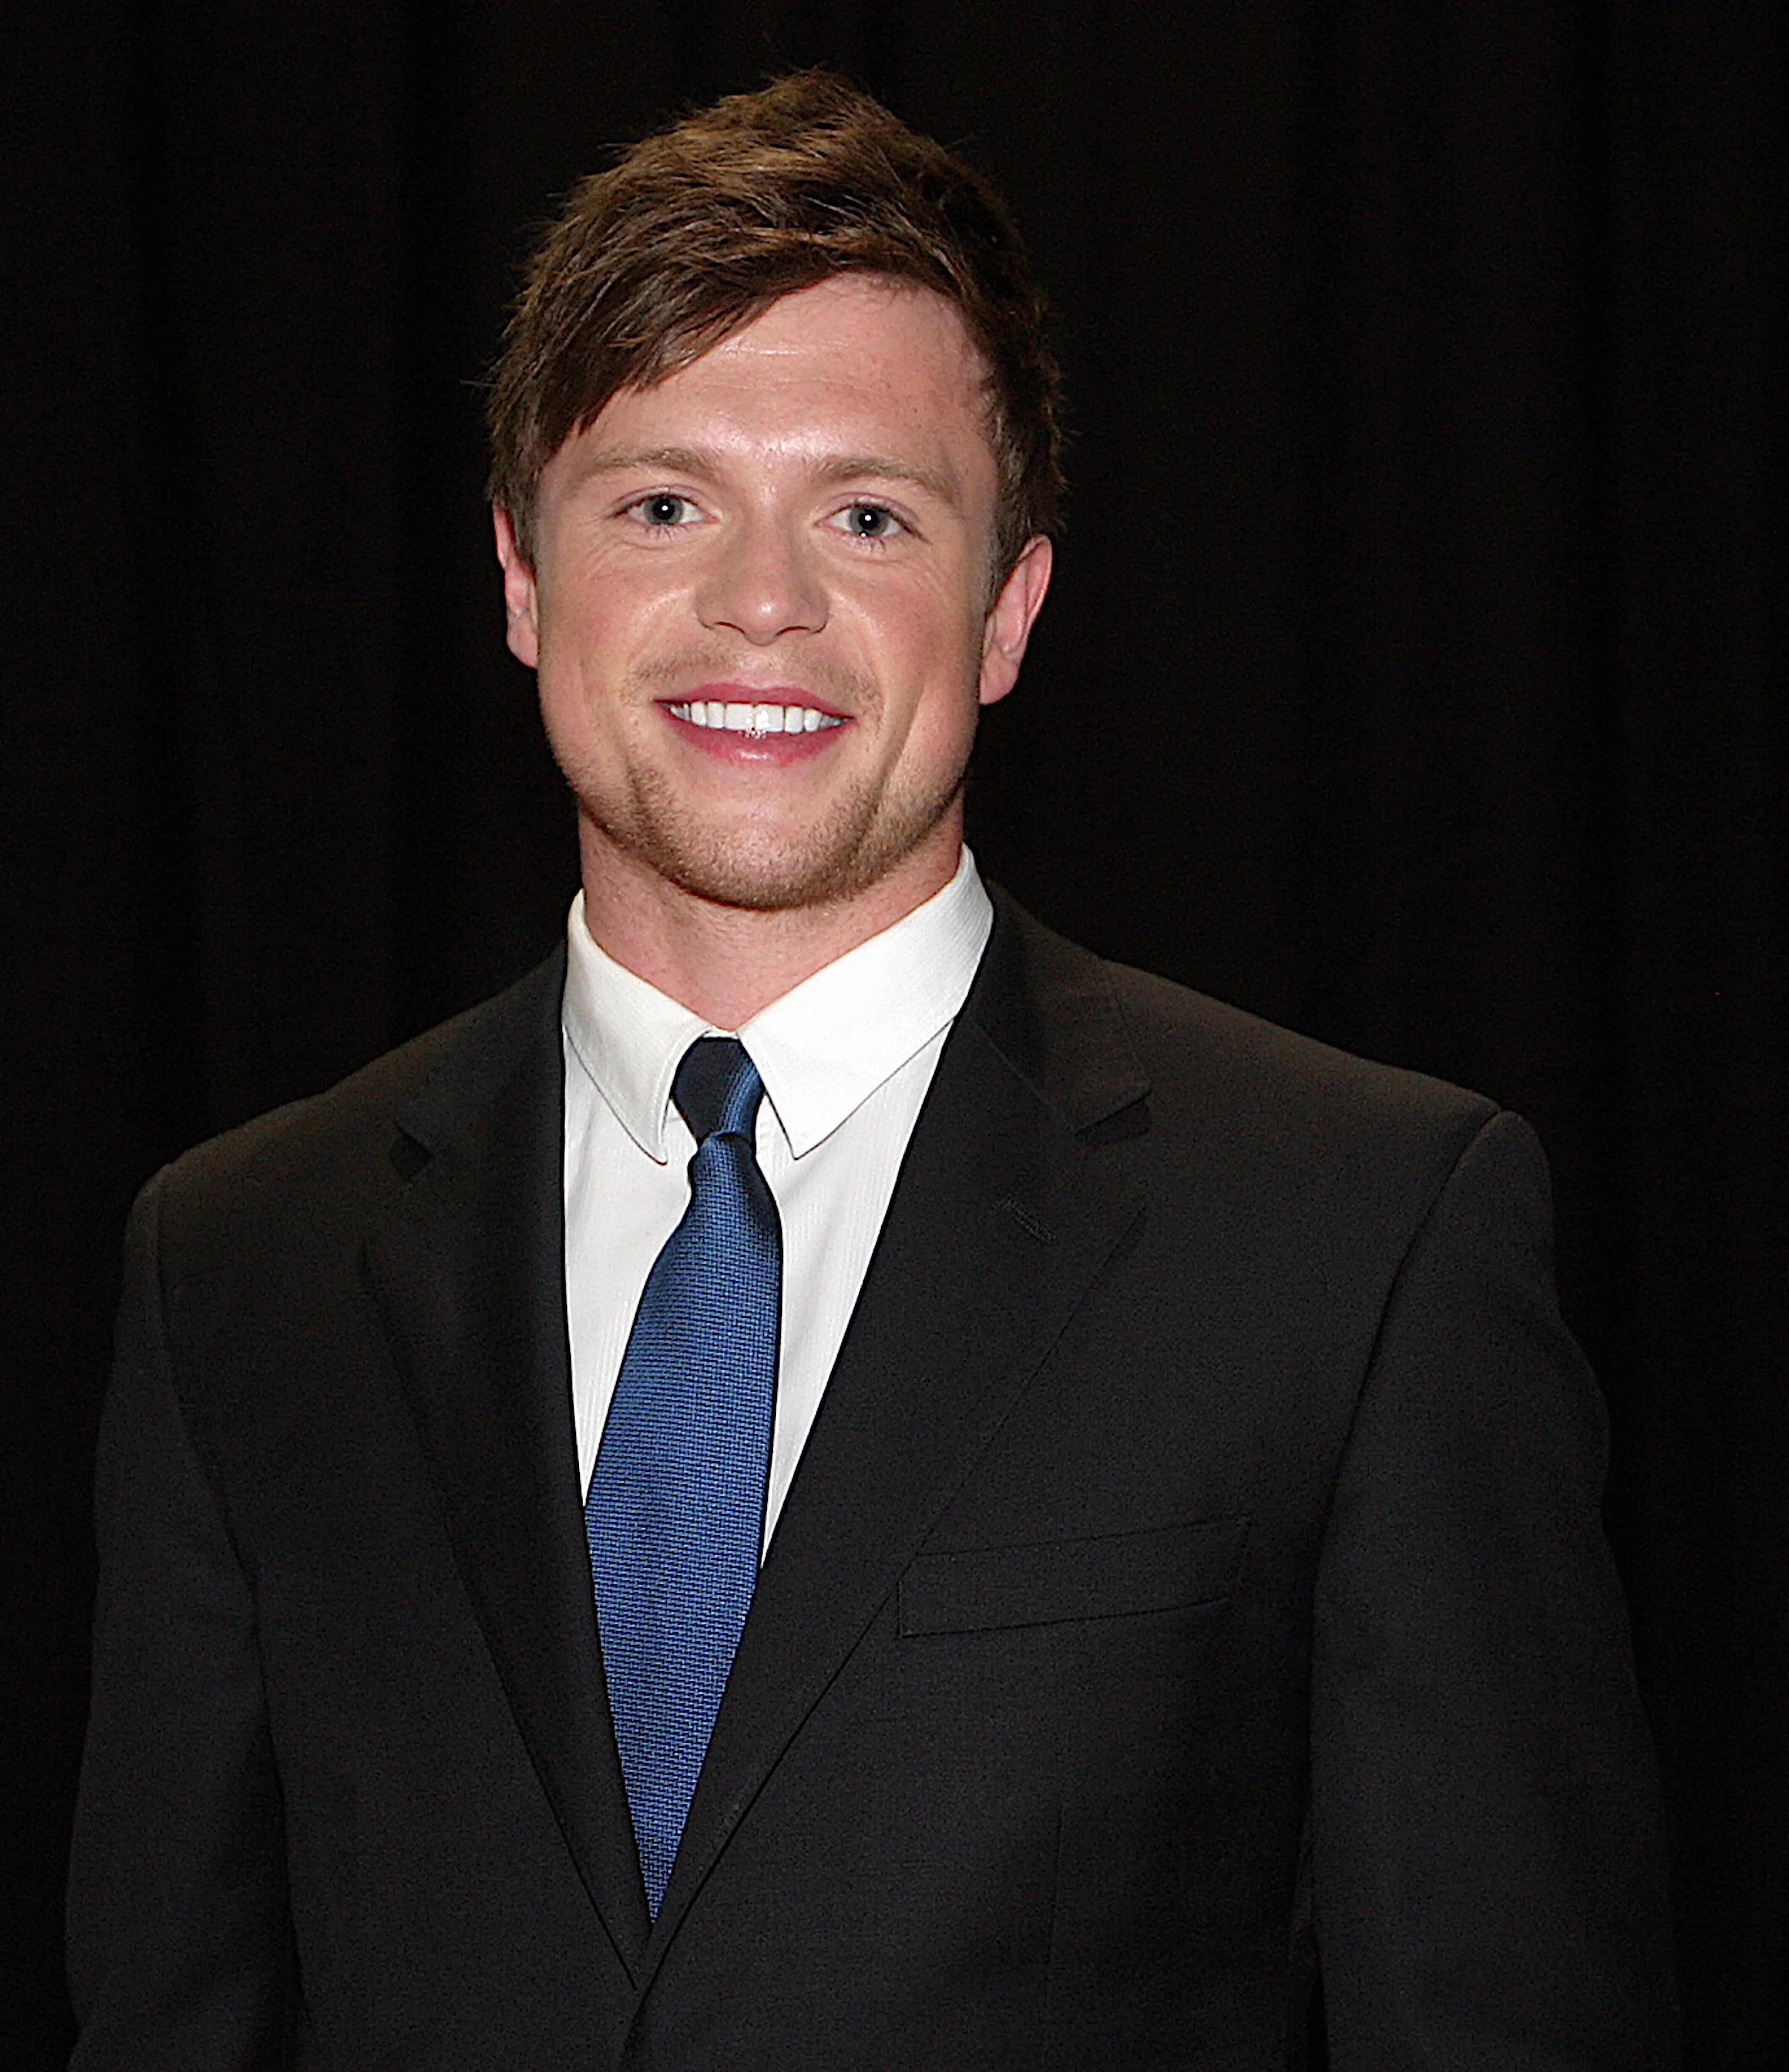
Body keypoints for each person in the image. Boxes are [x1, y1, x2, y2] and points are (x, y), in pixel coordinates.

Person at [67, 70, 1678, 2070]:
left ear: (1006, 606)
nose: (764, 599)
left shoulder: (1359, 1240)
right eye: (663, 502)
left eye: (867, 512)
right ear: (517, 574)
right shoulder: (236, 1264)